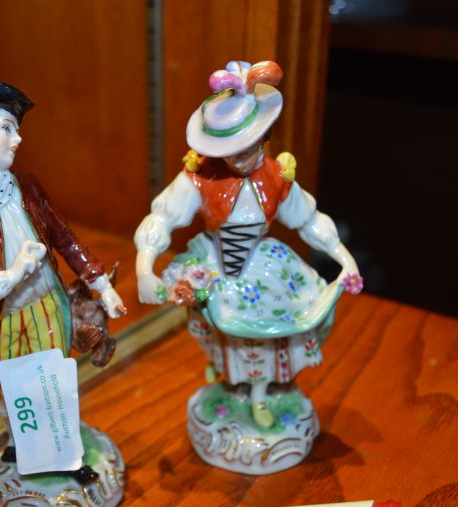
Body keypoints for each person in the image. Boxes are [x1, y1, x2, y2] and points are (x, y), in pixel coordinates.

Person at [134, 61, 362, 430]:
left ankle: (258, 394)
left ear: (263, 137)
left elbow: (307, 219)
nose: (237, 158)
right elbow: (163, 217)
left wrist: (344, 258)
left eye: (245, 148)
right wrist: (144, 268)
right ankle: (226, 372)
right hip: (216, 263)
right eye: (228, 150)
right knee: (221, 326)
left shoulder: (275, 177)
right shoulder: (199, 177)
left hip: (260, 265)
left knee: (268, 331)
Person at [0, 79, 125, 481]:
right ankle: (20, 445)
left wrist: (101, 284)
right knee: (12, 389)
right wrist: (8, 277)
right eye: (6, 128)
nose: (18, 139)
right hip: (6, 319)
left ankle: (67, 454)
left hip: (49, 305)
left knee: (56, 383)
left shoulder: (28, 187)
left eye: (15, 128)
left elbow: (65, 238)